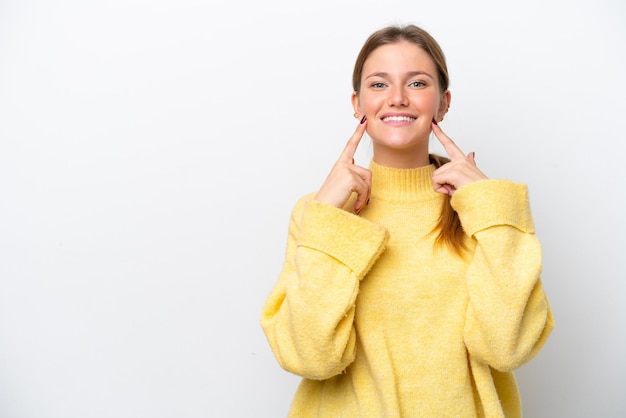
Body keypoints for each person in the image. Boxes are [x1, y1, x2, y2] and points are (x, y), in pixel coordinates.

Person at [260, 24, 554, 417]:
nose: (397, 99)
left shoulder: (484, 212)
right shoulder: (316, 214)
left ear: (443, 103)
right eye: (379, 85)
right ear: (357, 103)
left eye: (417, 83)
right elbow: (310, 358)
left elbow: (507, 348)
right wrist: (327, 221)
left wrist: (494, 211)